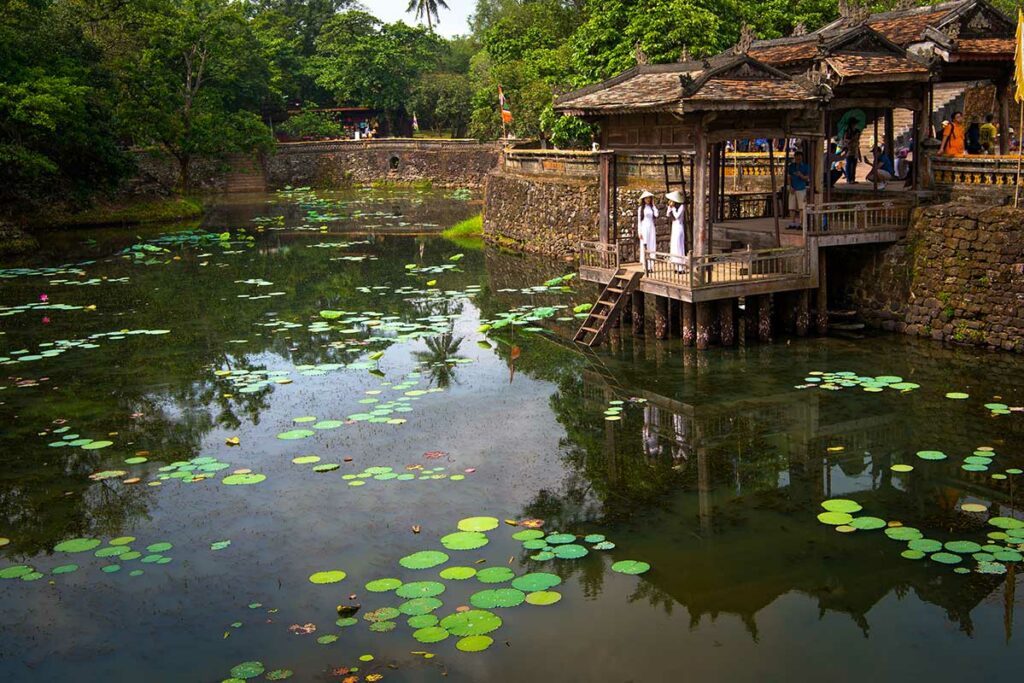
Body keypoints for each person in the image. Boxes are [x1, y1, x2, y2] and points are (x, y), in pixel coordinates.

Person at [786, 150, 811, 229]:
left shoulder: (806, 166)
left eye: (799, 159)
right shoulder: (791, 166)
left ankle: (801, 223)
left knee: (801, 207)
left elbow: (807, 178)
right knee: (792, 207)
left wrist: (801, 175)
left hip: (801, 188)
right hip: (793, 188)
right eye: (796, 159)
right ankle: (792, 222)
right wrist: (790, 186)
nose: (798, 161)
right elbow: (789, 177)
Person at [637, 191, 658, 273]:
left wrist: (654, 205)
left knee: (651, 246)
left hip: (651, 227)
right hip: (644, 227)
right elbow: (639, 221)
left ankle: (651, 266)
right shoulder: (640, 209)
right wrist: (640, 232)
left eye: (649, 198)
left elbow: (656, 215)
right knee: (644, 246)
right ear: (643, 199)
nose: (648, 199)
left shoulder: (652, 208)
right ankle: (645, 266)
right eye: (646, 198)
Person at [665, 191, 686, 273]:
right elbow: (667, 214)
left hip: (679, 227)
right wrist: (669, 208)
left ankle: (681, 267)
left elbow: (677, 216)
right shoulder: (673, 208)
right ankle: (677, 266)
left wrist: (673, 208)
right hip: (674, 227)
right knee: (674, 246)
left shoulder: (681, 207)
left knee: (679, 246)